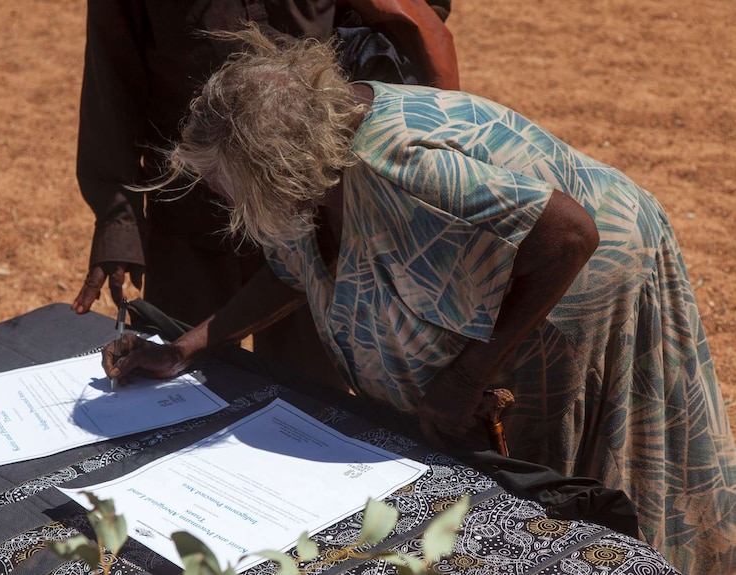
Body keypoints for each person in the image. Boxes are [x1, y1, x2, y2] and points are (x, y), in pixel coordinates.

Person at [101, 26, 736, 573]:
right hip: (525, 271)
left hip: (592, 282)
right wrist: (185, 347)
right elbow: (301, 269)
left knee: (564, 490)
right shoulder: (314, 167)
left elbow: (571, 235)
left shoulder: (397, 166)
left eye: (225, 182)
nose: (225, 198)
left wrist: (466, 375)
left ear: (275, 168)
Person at [70, 0, 459, 391]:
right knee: (172, 389)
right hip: (189, 200)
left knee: (310, 393)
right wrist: (118, 218)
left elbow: (422, 12)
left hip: (311, 197)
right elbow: (112, 69)